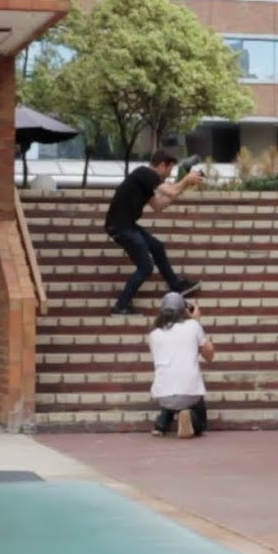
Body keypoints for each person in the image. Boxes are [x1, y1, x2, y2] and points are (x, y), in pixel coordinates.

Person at [105, 149, 204, 315]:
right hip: (120, 226)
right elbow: (171, 191)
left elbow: (159, 205)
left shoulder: (145, 180)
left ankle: (176, 285)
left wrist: (185, 185)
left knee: (157, 246)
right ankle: (121, 306)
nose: (169, 174)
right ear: (162, 165)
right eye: (170, 170)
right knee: (146, 267)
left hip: (126, 225)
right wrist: (186, 180)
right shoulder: (146, 173)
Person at [148, 292, 213, 438]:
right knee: (201, 423)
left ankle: (162, 424)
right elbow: (209, 355)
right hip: (190, 394)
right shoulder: (193, 326)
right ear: (184, 310)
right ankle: (189, 415)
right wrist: (196, 321)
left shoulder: (153, 334)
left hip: (163, 395)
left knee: (171, 379)